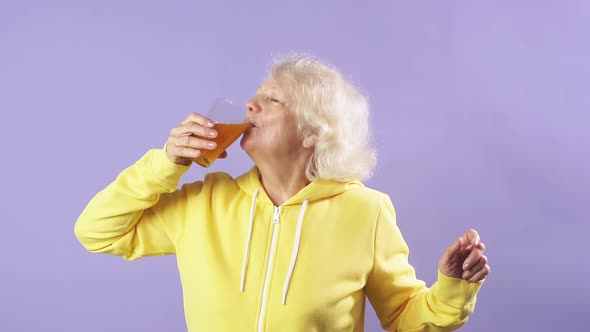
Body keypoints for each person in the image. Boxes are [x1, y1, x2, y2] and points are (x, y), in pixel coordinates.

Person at [74, 55, 490, 332]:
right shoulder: (204, 202)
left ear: (313, 133)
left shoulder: (367, 211)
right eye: (256, 96)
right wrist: (165, 163)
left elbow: (403, 317)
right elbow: (98, 232)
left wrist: (452, 287)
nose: (250, 105)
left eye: (272, 99)